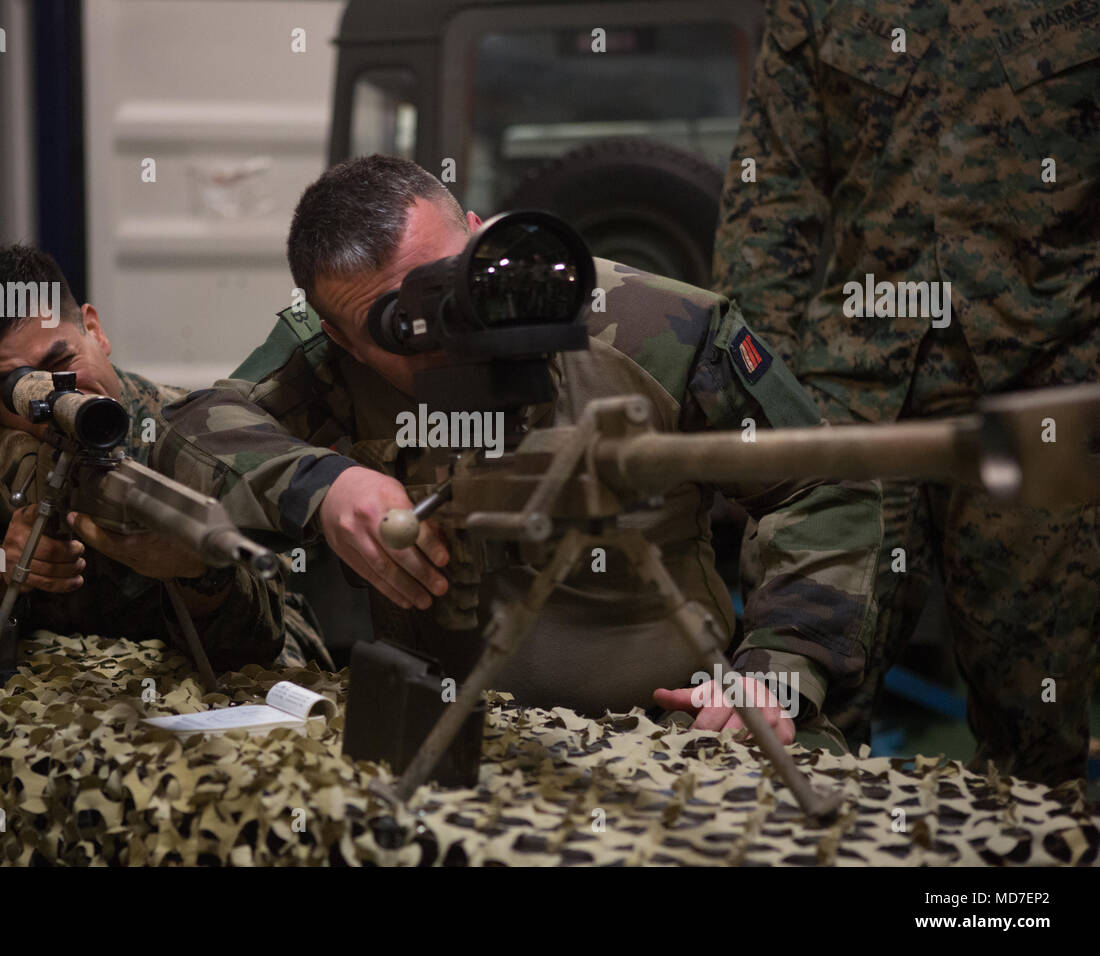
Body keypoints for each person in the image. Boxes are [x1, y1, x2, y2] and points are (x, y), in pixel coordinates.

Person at [152, 155, 885, 746]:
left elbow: (821, 485)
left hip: (669, 734)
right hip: (445, 737)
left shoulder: (656, 327)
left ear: (481, 235)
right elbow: (189, 429)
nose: (440, 334)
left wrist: (777, 666)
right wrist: (324, 486)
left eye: (452, 285)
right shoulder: (330, 354)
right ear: (341, 337)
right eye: (398, 324)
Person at [711, 0, 1099, 783]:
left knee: (1034, 726)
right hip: (852, 389)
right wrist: (766, 401)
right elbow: (773, 190)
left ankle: (1008, 904)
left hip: (1043, 382)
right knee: (792, 704)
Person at [0, 244, 326, 674]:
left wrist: (196, 575)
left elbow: (267, 639)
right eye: (14, 388)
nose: (54, 395)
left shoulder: (189, 429)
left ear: (95, 330)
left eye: (61, 362)